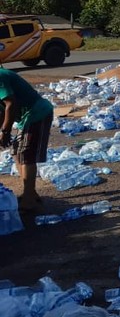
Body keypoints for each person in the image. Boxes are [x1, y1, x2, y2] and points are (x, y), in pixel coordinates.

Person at [0, 67, 54, 214]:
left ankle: (29, 201)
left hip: (37, 113)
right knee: (16, 152)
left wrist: (5, 132)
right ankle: (30, 193)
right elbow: (2, 111)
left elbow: (10, 104)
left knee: (26, 154)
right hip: (26, 118)